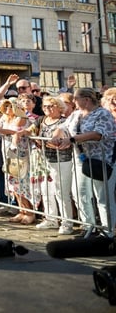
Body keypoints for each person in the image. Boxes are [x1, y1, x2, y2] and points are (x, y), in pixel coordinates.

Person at [51, 87, 116, 236]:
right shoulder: (76, 114)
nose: (73, 101)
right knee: (80, 193)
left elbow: (99, 134)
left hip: (102, 159)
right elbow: (63, 126)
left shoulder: (103, 114)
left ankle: (108, 231)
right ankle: (88, 226)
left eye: (76, 98)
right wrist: (57, 135)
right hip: (81, 159)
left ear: (86, 99)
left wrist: (72, 139)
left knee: (103, 197)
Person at [30, 95, 74, 234]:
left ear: (59, 107)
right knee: (46, 190)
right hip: (45, 159)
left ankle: (67, 223)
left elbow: (62, 135)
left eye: (51, 106)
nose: (47, 108)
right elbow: (30, 129)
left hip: (62, 160)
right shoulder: (41, 120)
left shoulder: (65, 121)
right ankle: (51, 219)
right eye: (45, 106)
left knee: (61, 191)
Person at [0, 99, 35, 224]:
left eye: (10, 106)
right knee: (12, 182)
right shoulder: (4, 117)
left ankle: (29, 212)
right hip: (8, 151)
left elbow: (16, 131)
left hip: (20, 152)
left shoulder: (22, 117)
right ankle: (21, 210)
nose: (7, 108)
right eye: (5, 106)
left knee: (21, 182)